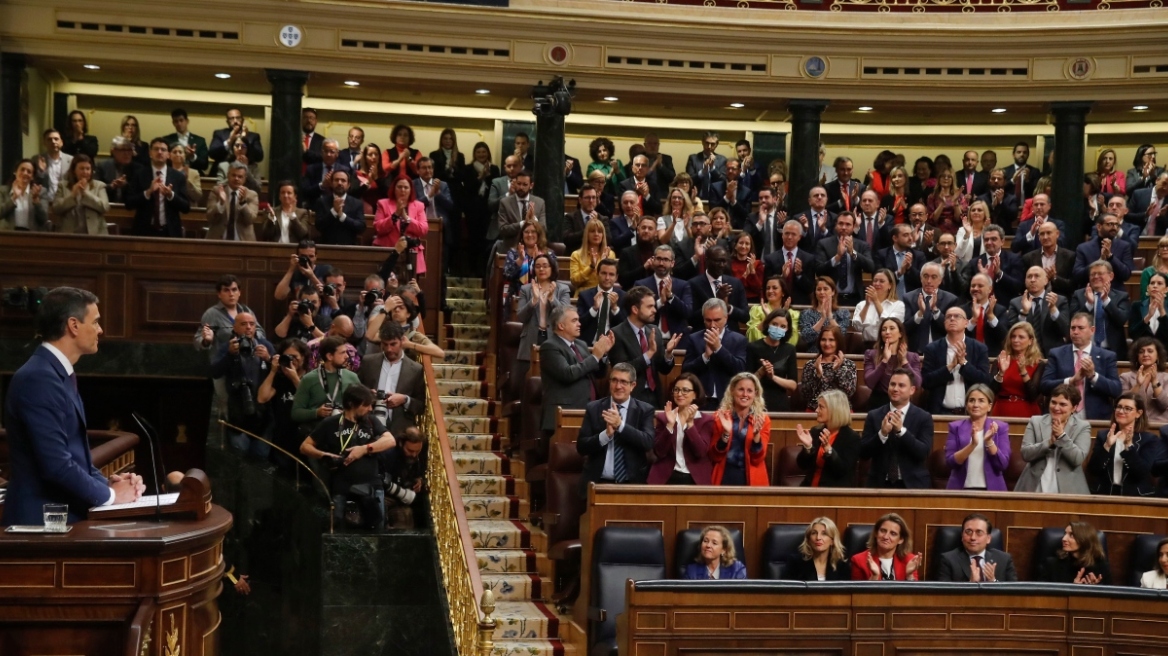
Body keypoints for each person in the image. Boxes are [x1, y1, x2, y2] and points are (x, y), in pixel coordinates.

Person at [1, 287, 145, 526]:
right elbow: (56, 465)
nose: (101, 330)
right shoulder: (38, 378)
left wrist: (108, 484)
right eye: (96, 322)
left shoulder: (56, 374)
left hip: (60, 518)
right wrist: (111, 497)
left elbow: (75, 459)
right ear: (73, 325)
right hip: (39, 524)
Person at [300, 384, 397, 531]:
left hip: (371, 487)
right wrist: (324, 455)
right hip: (342, 488)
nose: (370, 409)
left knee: (377, 530)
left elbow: (390, 441)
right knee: (339, 533)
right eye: (366, 405)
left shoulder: (371, 421)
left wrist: (364, 449)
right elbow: (305, 446)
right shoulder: (330, 423)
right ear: (352, 404)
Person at [576, 363, 655, 493]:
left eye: (623, 382)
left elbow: (647, 442)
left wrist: (621, 426)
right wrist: (605, 436)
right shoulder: (594, 408)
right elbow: (581, 447)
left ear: (633, 385)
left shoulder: (644, 410)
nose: (618, 386)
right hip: (597, 483)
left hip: (632, 484)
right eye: (614, 380)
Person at [210, 313, 274, 458]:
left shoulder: (265, 345)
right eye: (243, 324)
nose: (248, 327)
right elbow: (214, 372)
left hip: (263, 412)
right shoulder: (228, 347)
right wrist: (229, 355)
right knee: (239, 456)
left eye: (252, 324)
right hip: (237, 411)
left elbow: (279, 372)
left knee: (261, 455)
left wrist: (268, 359)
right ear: (235, 327)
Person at [542, 306, 614, 434]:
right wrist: (595, 356)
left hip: (589, 409)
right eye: (574, 321)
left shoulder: (581, 344)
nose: (579, 324)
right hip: (564, 412)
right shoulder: (550, 346)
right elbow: (568, 374)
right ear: (561, 326)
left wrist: (603, 355)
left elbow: (598, 373)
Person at [1040, 312, 1122, 421]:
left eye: (1080, 328)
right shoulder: (1057, 354)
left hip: (1095, 418)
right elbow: (1045, 386)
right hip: (1061, 416)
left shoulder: (1106, 356)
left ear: (1092, 330)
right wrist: (1071, 380)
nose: (1075, 332)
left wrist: (1093, 376)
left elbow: (1116, 390)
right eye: (1073, 328)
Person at [859, 368, 932, 489]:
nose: (895, 389)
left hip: (912, 485)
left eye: (901, 385)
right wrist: (882, 434)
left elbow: (923, 453)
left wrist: (901, 431)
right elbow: (864, 453)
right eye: (892, 384)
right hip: (879, 485)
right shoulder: (874, 416)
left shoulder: (924, 417)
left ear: (912, 390)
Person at [608, 285, 679, 407]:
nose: (654, 310)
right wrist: (649, 353)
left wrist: (668, 354)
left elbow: (663, 369)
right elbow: (623, 370)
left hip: (655, 396)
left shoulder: (654, 330)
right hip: (630, 398)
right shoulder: (616, 334)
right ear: (635, 309)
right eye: (650, 306)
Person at [1015, 384, 1091, 494]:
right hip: (1034, 485)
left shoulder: (1082, 427)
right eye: (1053, 402)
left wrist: (1062, 437)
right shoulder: (1035, 422)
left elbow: (1078, 458)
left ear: (1074, 408)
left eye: (1063, 404)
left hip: (1069, 489)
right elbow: (1026, 453)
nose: (1056, 408)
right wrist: (1049, 443)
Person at [357, 323, 426, 436]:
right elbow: (355, 391)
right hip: (368, 426)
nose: (389, 349)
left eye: (393, 344)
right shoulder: (368, 362)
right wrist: (367, 395)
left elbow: (421, 406)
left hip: (400, 431)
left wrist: (404, 399)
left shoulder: (416, 369)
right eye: (385, 344)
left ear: (402, 341)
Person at [921, 306, 993, 415]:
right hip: (940, 412)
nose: (952, 319)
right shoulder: (932, 348)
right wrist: (950, 367)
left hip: (970, 413)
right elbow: (926, 381)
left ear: (966, 323)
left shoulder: (979, 348)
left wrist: (964, 363)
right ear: (944, 323)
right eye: (948, 317)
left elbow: (984, 380)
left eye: (957, 316)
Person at [514, 254, 572, 385]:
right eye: (538, 266)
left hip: (554, 337)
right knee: (527, 381)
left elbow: (565, 316)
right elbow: (521, 317)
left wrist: (552, 299)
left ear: (552, 269)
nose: (541, 269)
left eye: (545, 266)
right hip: (531, 338)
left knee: (551, 379)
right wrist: (533, 300)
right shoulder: (526, 289)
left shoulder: (562, 289)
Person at [1089, 393, 1162, 497]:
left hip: (1136, 496)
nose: (1121, 411)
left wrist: (1129, 446)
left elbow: (1141, 473)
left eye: (1127, 408)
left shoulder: (1149, 439)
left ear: (1138, 413)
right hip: (1105, 493)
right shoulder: (1103, 435)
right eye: (1119, 407)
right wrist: (1107, 446)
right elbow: (1093, 470)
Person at [682, 299, 747, 410]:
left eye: (717, 320)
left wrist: (719, 348)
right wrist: (705, 357)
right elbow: (685, 371)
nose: (712, 325)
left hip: (729, 401)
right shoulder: (694, 339)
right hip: (701, 402)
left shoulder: (739, 340)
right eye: (708, 320)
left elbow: (740, 370)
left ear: (726, 318)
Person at [649, 374, 714, 485]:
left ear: (695, 394)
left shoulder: (705, 420)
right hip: (667, 476)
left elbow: (700, 452)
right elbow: (660, 452)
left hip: (695, 477)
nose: (679, 394)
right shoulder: (663, 418)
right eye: (677, 390)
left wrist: (690, 424)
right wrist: (670, 425)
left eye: (685, 390)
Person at [289, 335, 362, 434]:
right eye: (342, 353)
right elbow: (296, 413)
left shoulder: (352, 377)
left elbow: (362, 409)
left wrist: (348, 412)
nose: (347, 356)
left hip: (345, 434)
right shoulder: (309, 379)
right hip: (317, 434)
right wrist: (316, 412)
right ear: (329, 356)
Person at [943, 385, 1010, 490]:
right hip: (960, 490)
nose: (976, 405)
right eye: (971, 400)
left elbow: (1002, 464)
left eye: (981, 401)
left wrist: (989, 442)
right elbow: (951, 462)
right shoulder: (955, 427)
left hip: (992, 491)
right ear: (966, 405)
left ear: (989, 406)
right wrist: (972, 445)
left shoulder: (1000, 428)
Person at [709, 373, 771, 486]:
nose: (745, 394)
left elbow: (757, 459)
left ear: (755, 394)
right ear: (732, 391)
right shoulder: (719, 417)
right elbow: (715, 456)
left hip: (752, 479)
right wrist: (726, 433)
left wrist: (756, 436)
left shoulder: (763, 419)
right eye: (741, 389)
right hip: (724, 475)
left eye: (749, 391)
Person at [257, 339, 309, 469]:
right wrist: (273, 371)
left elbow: (311, 401)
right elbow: (262, 398)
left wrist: (295, 379)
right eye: (287, 357)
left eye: (295, 357)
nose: (291, 361)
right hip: (282, 436)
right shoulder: (280, 378)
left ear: (303, 357)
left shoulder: (310, 378)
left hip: (304, 435)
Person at [792, 388, 858, 487]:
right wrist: (808, 448)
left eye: (821, 407)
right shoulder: (815, 432)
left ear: (834, 410)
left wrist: (829, 450)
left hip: (834, 494)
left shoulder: (852, 438)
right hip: (809, 489)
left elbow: (841, 471)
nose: (816, 410)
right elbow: (802, 465)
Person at [125, 138, 191, 238]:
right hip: (143, 231)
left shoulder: (178, 177)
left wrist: (171, 195)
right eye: (156, 149)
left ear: (168, 155)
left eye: (163, 150)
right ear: (150, 153)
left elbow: (186, 207)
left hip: (170, 232)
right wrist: (147, 193)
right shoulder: (139, 174)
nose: (159, 152)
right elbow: (128, 203)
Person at [814, 211, 874, 307]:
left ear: (854, 226)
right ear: (835, 225)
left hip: (855, 298)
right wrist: (837, 257)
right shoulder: (824, 244)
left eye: (848, 224)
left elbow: (870, 267)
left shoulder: (862, 245)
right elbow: (818, 270)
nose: (844, 227)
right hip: (831, 298)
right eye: (841, 223)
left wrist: (853, 253)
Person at [936, 514, 1018, 582]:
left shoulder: (1004, 559)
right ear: (962, 536)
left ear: (988, 538)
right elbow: (944, 595)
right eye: (968, 532)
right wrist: (970, 585)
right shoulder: (948, 560)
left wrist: (994, 582)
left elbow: (1015, 593)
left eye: (979, 532)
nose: (973, 537)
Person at [1069, 260, 1129, 353]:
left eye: (1100, 273)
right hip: (1085, 350)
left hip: (1113, 351)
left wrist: (1106, 301)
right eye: (1093, 274)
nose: (1096, 277)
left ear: (1111, 276)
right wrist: (1089, 304)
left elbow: (1121, 320)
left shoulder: (1121, 296)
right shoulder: (1079, 295)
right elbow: (1073, 320)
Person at [746, 308, 798, 411]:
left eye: (783, 326)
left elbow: (793, 385)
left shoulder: (789, 349)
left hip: (780, 402)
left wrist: (773, 377)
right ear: (768, 324)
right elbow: (747, 381)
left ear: (787, 329)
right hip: (757, 402)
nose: (778, 328)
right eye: (774, 324)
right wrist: (761, 372)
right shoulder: (753, 347)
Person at [686, 245, 749, 331]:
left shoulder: (736, 283)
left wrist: (728, 307)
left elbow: (745, 317)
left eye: (724, 261)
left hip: (731, 337)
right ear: (707, 260)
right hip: (704, 336)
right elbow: (691, 319)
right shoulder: (693, 284)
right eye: (718, 261)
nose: (722, 265)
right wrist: (716, 300)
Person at [989, 322, 1045, 417]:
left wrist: (1023, 371)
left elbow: (1033, 396)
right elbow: (991, 392)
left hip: (1027, 411)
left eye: (1021, 337)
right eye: (1013, 336)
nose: (1015, 340)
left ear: (1030, 341)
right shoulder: (1001, 360)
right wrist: (1001, 372)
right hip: (1001, 410)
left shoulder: (1038, 364)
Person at [373, 177, 428, 275]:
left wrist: (407, 218)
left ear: (411, 190)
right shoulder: (383, 204)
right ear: (394, 188)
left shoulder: (419, 206)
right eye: (399, 187)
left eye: (406, 187)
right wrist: (395, 215)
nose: (403, 190)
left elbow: (423, 229)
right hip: (389, 252)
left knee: (411, 288)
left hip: (411, 254)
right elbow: (378, 228)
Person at [379, 426, 431, 528]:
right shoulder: (388, 453)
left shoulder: (422, 449)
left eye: (417, 451)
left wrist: (419, 480)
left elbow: (421, 469)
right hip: (386, 494)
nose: (414, 455)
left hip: (405, 497)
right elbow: (381, 480)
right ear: (401, 443)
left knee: (406, 517)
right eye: (410, 451)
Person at [864, 318, 920, 410]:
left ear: (900, 334)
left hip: (903, 403)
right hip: (878, 403)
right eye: (884, 329)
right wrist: (884, 361)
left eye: (892, 328)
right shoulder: (871, 354)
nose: (887, 332)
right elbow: (869, 382)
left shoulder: (912, 357)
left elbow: (917, 383)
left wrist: (904, 361)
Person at [902, 263, 959, 353]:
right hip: (914, 352)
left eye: (934, 277)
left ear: (940, 280)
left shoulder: (950, 300)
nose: (929, 281)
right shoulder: (908, 298)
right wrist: (920, 313)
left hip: (941, 351)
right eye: (925, 276)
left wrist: (935, 310)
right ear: (921, 278)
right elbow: (904, 328)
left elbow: (952, 329)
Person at [849, 513, 922, 581]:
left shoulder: (910, 560)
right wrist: (874, 577)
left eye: (893, 533)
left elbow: (914, 594)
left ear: (901, 539)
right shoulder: (859, 561)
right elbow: (858, 593)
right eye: (883, 531)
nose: (886, 537)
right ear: (876, 533)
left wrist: (909, 575)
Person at [801, 326, 857, 411]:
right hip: (815, 409)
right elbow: (806, 395)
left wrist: (837, 371)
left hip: (841, 410)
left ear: (838, 342)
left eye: (831, 340)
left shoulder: (848, 365)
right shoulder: (811, 365)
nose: (827, 344)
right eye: (823, 339)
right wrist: (818, 375)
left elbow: (848, 393)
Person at [51, 155, 109, 235]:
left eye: (88, 169)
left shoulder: (99, 186)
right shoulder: (63, 186)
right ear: (74, 170)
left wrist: (86, 194)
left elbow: (105, 207)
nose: (85, 172)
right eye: (82, 168)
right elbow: (56, 208)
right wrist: (73, 195)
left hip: (95, 234)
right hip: (68, 234)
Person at [1038, 522, 1111, 585]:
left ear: (1084, 540)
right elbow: (1042, 596)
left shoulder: (1101, 566)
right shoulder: (1051, 565)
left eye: (1071, 535)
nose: (1064, 538)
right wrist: (1073, 589)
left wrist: (1094, 590)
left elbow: (1111, 596)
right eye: (1065, 534)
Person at [1074, 213, 1134, 290]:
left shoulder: (1124, 246)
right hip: (1090, 291)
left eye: (1117, 225)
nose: (1114, 228)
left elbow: (1126, 275)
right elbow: (1077, 275)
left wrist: (1110, 257)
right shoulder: (1083, 248)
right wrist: (1099, 261)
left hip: (1115, 294)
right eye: (1110, 224)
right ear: (1099, 227)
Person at [784, 517, 850, 581]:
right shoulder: (795, 563)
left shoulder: (842, 565)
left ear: (832, 541)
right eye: (814, 533)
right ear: (809, 540)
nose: (818, 538)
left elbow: (846, 591)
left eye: (824, 534)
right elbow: (787, 590)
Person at [206, 163, 258, 241]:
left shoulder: (252, 195)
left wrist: (243, 203)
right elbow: (210, 217)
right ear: (228, 175)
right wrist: (221, 203)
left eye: (240, 176)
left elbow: (250, 220)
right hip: (217, 241)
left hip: (243, 242)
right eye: (233, 175)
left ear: (245, 179)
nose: (236, 179)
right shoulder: (217, 191)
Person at [798, 276, 852, 353]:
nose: (822, 292)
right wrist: (822, 319)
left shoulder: (843, 313)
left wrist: (830, 316)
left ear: (833, 292)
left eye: (825, 289)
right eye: (819, 289)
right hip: (814, 354)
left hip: (836, 354)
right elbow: (806, 337)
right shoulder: (806, 313)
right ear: (815, 293)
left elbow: (841, 336)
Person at [1122, 338, 1168, 424]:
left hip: (1160, 425)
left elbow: (1164, 404)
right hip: (1133, 424)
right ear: (1137, 356)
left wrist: (1154, 382)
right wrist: (1138, 385)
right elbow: (1124, 404)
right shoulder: (1125, 377)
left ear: (1158, 356)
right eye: (1141, 352)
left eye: (1150, 351)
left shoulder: (1166, 378)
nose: (1145, 354)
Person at [852, 269, 904, 343]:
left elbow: (889, 323)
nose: (877, 284)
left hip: (888, 344)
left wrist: (876, 301)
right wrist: (867, 305)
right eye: (875, 281)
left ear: (890, 285)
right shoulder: (862, 304)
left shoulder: (898, 305)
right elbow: (857, 327)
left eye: (881, 281)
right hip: (867, 345)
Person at [746, 276, 800, 346]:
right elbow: (752, 336)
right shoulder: (757, 310)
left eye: (774, 288)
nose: (770, 291)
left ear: (783, 292)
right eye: (768, 288)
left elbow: (792, 341)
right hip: (760, 350)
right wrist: (768, 318)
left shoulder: (793, 314)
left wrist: (783, 315)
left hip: (782, 352)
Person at [682, 525, 747, 580]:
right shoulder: (692, 571)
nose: (708, 545)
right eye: (705, 541)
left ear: (724, 549)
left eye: (714, 543)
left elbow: (743, 594)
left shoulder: (737, 569)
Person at [571, 218, 617, 290]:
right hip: (583, 294)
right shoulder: (576, 255)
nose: (596, 234)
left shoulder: (610, 254)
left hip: (603, 292)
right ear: (587, 234)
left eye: (599, 231)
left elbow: (609, 280)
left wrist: (603, 263)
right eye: (592, 231)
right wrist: (591, 267)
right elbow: (574, 281)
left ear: (603, 235)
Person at [161, 108, 208, 174]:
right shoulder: (166, 140)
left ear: (187, 121)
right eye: (176, 121)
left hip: (195, 175)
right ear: (173, 123)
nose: (179, 123)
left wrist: (192, 156)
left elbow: (205, 165)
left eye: (181, 120)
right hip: (171, 174)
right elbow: (163, 161)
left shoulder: (200, 141)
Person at [565, 185, 609, 254]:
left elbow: (608, 239)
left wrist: (597, 224)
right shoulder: (570, 217)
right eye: (587, 198)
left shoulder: (603, 219)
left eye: (593, 197)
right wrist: (588, 227)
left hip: (598, 256)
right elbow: (567, 239)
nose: (591, 201)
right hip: (576, 256)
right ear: (580, 200)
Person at [1129, 272, 1168, 342]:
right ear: (1148, 288)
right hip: (1143, 349)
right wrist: (1148, 316)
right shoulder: (1136, 306)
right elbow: (1132, 334)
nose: (1155, 286)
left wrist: (1162, 311)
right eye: (1152, 283)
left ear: (1166, 289)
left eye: (1159, 283)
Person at [729, 232, 763, 302]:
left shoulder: (758, 264)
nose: (744, 246)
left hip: (753, 301)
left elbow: (758, 288)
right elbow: (733, 287)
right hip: (734, 299)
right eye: (741, 243)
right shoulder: (729, 263)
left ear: (751, 247)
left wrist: (752, 271)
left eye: (747, 244)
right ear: (735, 246)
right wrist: (745, 275)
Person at [954, 199, 989, 266]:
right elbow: (958, 253)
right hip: (965, 268)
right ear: (970, 213)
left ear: (985, 213)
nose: (976, 212)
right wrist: (967, 234)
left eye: (979, 210)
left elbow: (991, 253)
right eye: (973, 210)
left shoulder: (989, 230)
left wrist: (987, 233)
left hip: (984, 267)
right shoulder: (962, 230)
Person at [1139, 237, 1168, 302]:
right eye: (1162, 246)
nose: (1165, 249)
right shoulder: (1147, 272)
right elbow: (1144, 297)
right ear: (1158, 251)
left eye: (1167, 246)